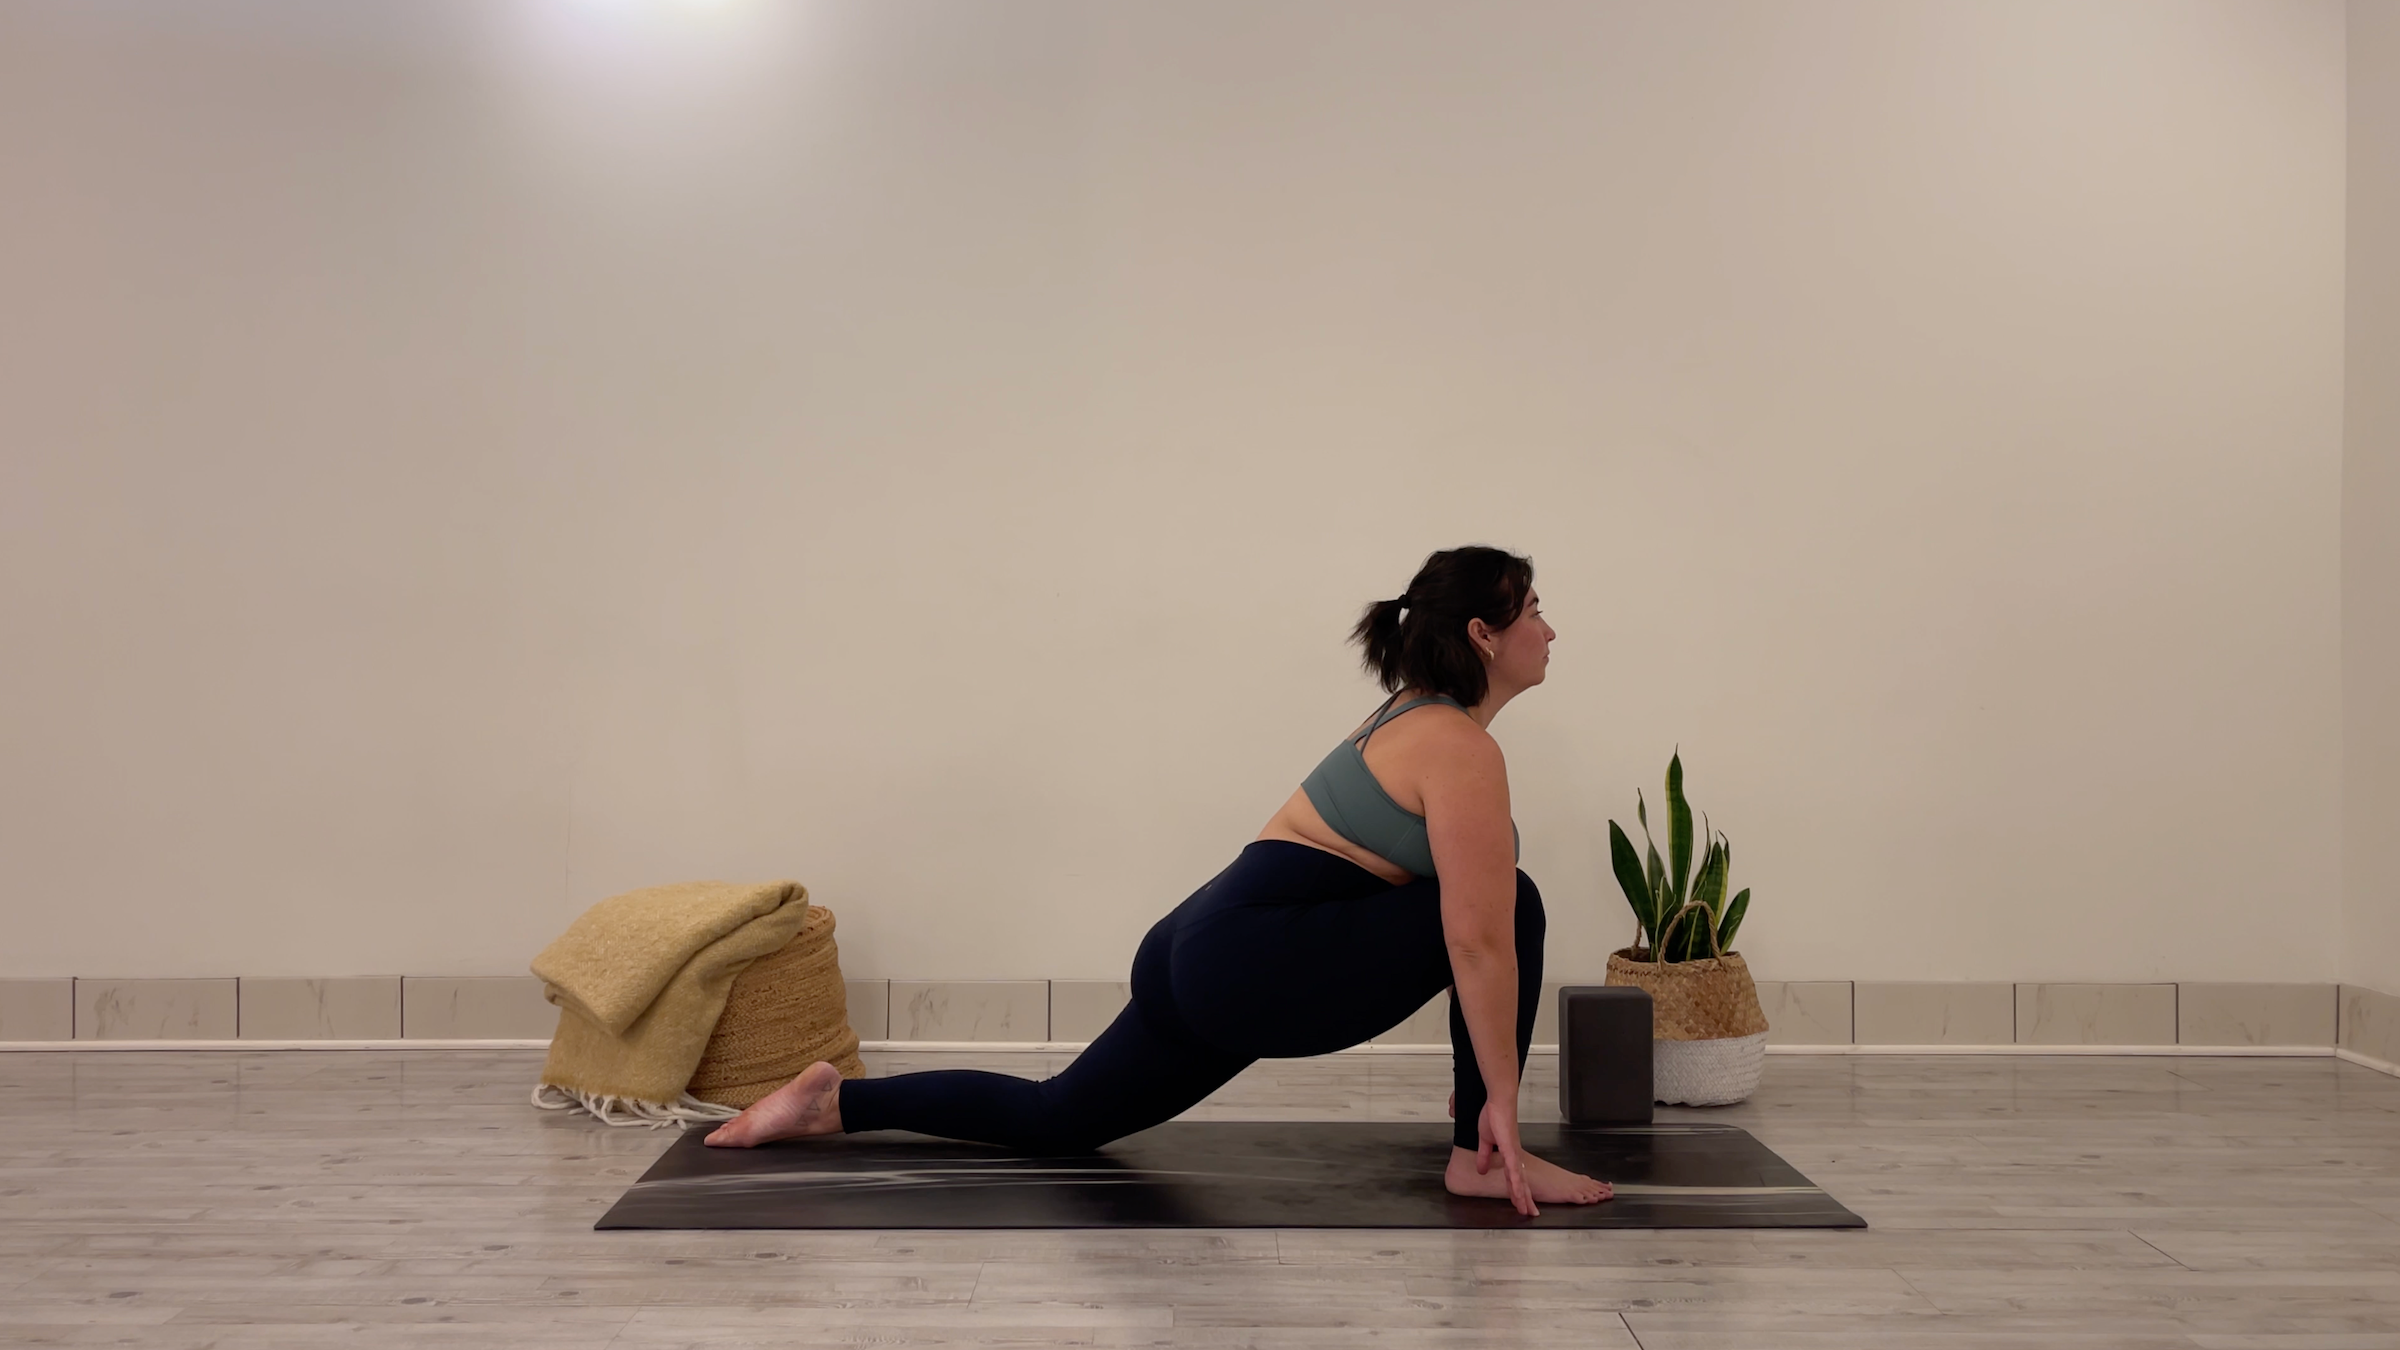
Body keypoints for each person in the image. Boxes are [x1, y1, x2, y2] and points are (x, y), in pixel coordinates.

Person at [706, 545, 1610, 1216]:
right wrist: (1498, 1102)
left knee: (1057, 1116)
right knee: (1510, 901)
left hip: (1199, 945)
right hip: (1247, 959)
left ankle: (831, 1103)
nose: (1550, 627)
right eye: (1534, 608)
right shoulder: (1460, 747)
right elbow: (1479, 940)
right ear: (1484, 635)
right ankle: (1480, 1157)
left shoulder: (1406, 715)